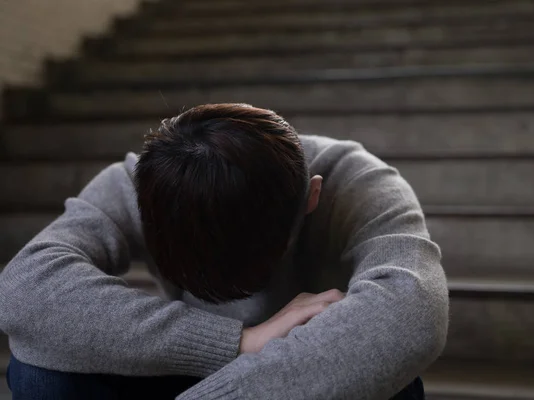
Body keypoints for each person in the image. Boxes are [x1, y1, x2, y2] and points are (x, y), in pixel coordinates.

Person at [0, 103, 448, 399]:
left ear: (312, 197)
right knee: (37, 371)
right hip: (201, 365)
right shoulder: (142, 184)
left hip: (295, 374)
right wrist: (237, 343)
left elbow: (411, 312)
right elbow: (24, 288)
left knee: (394, 377)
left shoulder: (355, 181)